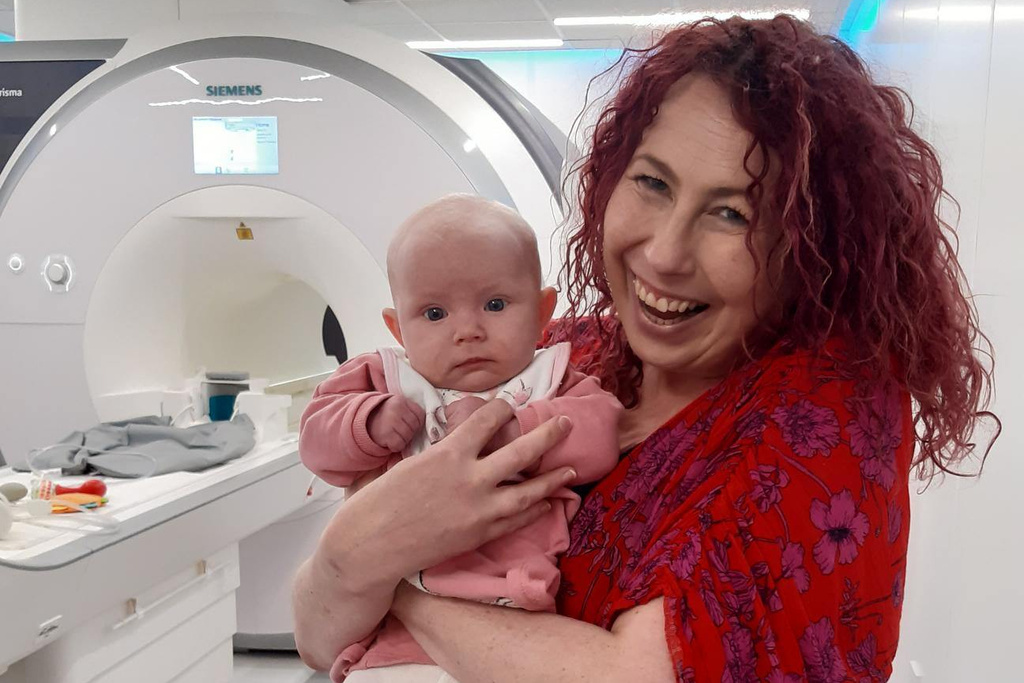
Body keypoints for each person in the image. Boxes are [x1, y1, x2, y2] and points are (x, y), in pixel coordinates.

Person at [293, 16, 995, 682]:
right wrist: (355, 557)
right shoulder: (568, 351)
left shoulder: (822, 417)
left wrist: (388, 570)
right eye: (653, 183)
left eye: (732, 212)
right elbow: (316, 631)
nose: (663, 253)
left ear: (811, 249)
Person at [298, 194, 622, 680]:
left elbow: (603, 433)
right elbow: (315, 439)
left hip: (512, 610)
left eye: (494, 304)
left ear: (541, 312)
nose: (467, 330)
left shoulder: (551, 381)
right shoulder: (385, 379)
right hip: (390, 630)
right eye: (434, 314)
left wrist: (516, 432)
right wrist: (368, 422)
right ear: (397, 328)